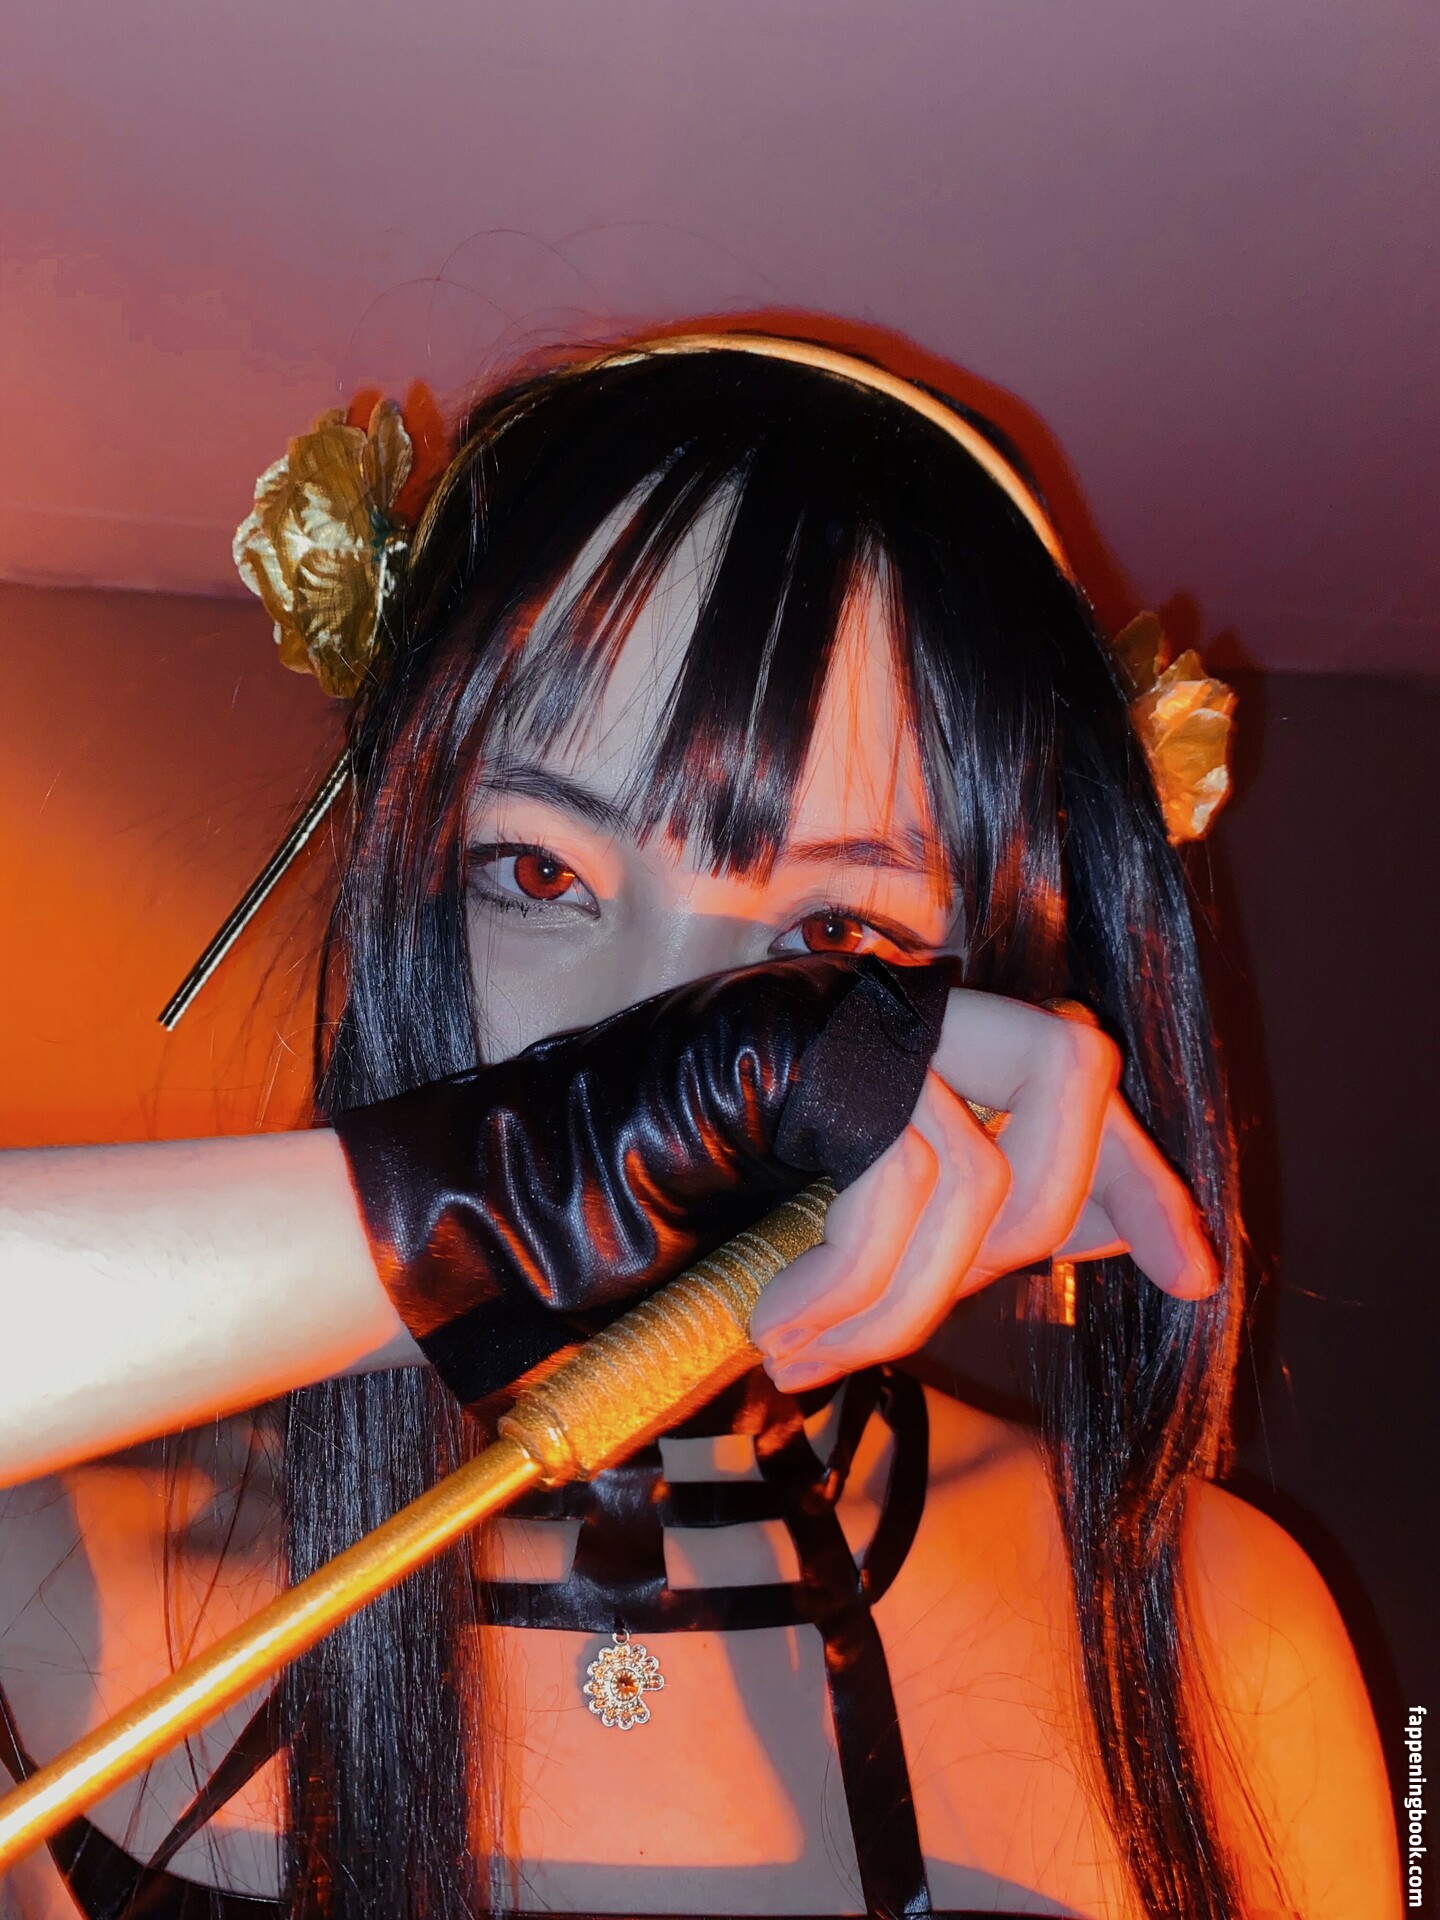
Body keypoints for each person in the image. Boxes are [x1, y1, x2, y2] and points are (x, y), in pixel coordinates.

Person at [0, 334, 1397, 1920]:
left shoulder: (1220, 1636)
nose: (654, 1048)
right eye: (540, 875)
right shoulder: (42, 1587)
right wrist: (516, 1203)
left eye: (831, 944)